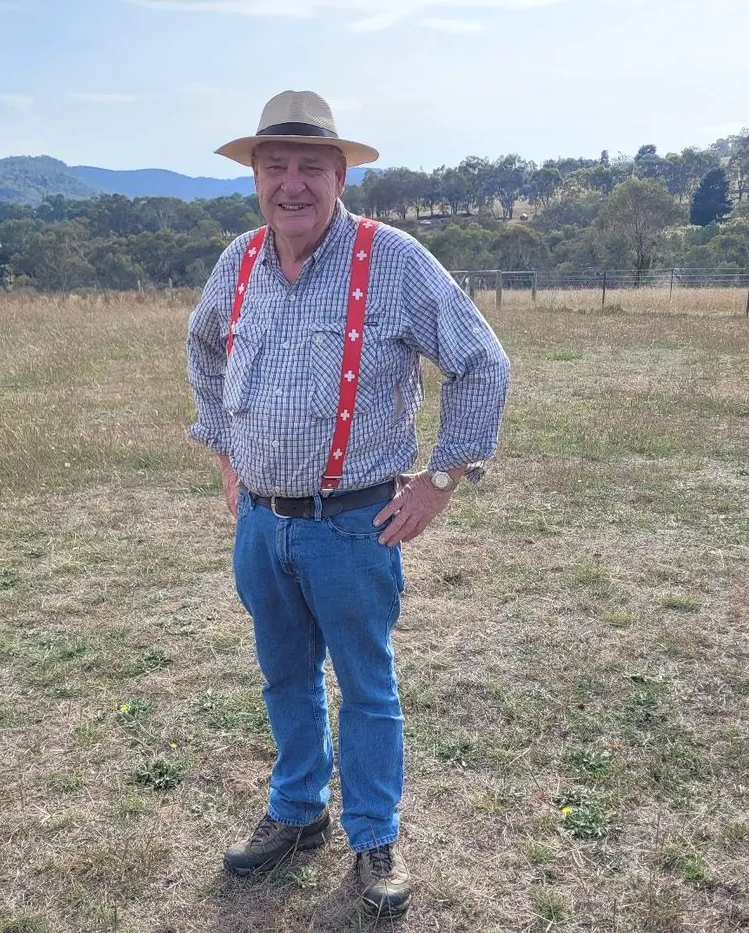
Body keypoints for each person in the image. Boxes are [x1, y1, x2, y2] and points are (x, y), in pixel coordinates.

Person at [186, 90, 510, 918]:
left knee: (366, 684)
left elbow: (482, 363)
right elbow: (203, 351)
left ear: (340, 174)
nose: (292, 184)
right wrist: (227, 456)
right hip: (261, 523)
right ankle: (298, 811)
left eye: (311, 167)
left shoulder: (391, 259)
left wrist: (441, 481)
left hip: (354, 524)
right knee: (284, 672)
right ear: (255, 175)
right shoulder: (239, 261)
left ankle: (374, 836)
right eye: (275, 166)